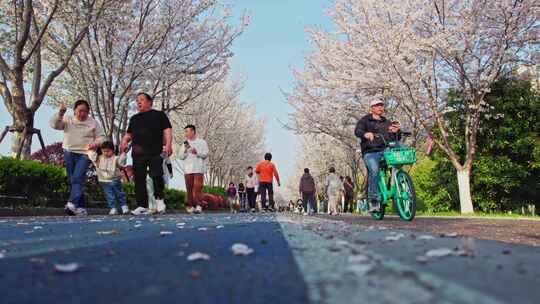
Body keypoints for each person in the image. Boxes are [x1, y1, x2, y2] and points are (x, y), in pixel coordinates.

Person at [120, 92, 173, 215]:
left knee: (156, 175)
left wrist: (169, 144)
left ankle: (160, 199)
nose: (139, 102)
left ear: (150, 102)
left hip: (154, 151)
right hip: (138, 153)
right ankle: (142, 205)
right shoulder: (134, 118)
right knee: (139, 179)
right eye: (137, 100)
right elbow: (129, 134)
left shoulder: (159, 115)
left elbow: (167, 130)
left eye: (142, 99)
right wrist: (124, 141)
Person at [50, 100, 105, 216]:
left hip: (85, 153)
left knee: (77, 177)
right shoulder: (68, 119)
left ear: (88, 112)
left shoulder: (93, 123)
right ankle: (81, 207)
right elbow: (54, 125)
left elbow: (102, 137)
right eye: (80, 111)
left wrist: (95, 143)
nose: (82, 114)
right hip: (69, 152)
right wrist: (60, 113)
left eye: (85, 111)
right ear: (75, 110)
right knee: (73, 180)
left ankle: (71, 203)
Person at [354, 99, 401, 212]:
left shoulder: (387, 122)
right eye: (377, 105)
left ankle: (397, 184)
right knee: (374, 170)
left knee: (399, 158)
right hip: (370, 152)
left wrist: (397, 132)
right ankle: (374, 200)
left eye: (381, 105)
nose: (380, 107)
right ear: (372, 108)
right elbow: (357, 131)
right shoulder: (365, 120)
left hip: (385, 150)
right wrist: (365, 133)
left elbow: (395, 138)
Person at [178, 125, 222, 214]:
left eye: (187, 131)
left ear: (193, 132)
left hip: (198, 169)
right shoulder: (185, 143)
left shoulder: (202, 142)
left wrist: (197, 153)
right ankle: (190, 206)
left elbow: (205, 154)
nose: (185, 133)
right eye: (185, 132)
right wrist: (186, 151)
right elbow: (180, 156)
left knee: (198, 188)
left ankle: (198, 205)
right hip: (188, 170)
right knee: (189, 189)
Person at [87, 141, 129, 215]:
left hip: (115, 180)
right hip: (104, 181)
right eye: (104, 151)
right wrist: (90, 149)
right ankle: (113, 208)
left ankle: (124, 206)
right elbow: (92, 156)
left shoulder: (116, 158)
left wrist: (124, 153)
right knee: (109, 195)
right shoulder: (99, 158)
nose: (106, 153)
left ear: (112, 150)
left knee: (119, 194)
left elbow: (122, 162)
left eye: (108, 151)